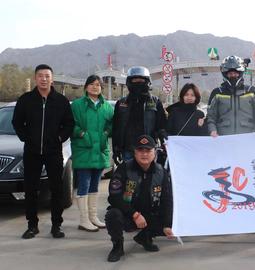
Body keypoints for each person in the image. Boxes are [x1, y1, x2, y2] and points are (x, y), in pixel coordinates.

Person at [12, 64, 74, 239]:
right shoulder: (26, 99)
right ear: (35, 78)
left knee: (57, 188)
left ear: (52, 78)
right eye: (40, 76)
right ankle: (32, 225)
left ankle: (56, 225)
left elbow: (69, 124)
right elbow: (17, 122)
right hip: (31, 152)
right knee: (30, 189)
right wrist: (26, 138)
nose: (44, 79)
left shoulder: (61, 101)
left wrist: (60, 138)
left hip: (54, 151)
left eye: (47, 76)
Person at [105, 135, 174, 262]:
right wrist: (134, 215)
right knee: (112, 214)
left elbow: (167, 200)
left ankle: (145, 237)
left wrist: (167, 224)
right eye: (140, 150)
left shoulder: (161, 172)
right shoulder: (124, 169)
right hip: (129, 214)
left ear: (154, 152)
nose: (145, 154)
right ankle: (117, 247)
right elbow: (114, 198)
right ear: (134, 152)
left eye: (148, 150)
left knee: (173, 217)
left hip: (150, 214)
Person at [70, 75, 114, 232]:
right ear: (86, 87)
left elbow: (111, 124)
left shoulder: (107, 107)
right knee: (84, 184)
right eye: (92, 84)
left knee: (95, 184)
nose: (95, 87)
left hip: (100, 150)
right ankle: (83, 220)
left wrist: (106, 133)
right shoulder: (77, 105)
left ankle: (93, 216)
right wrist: (82, 134)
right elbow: (70, 124)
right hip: (83, 150)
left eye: (98, 85)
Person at [112, 66, 167, 165]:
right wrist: (116, 149)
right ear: (129, 82)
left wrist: (164, 144)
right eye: (135, 80)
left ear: (147, 82)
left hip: (149, 150)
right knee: (130, 179)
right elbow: (116, 129)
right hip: (128, 150)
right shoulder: (121, 104)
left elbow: (162, 126)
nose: (138, 83)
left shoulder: (155, 102)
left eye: (141, 80)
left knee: (149, 179)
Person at [207, 55, 255, 136]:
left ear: (240, 73)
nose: (233, 75)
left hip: (248, 139)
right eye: (230, 73)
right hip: (223, 140)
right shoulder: (217, 92)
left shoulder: (252, 91)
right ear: (225, 74)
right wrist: (212, 130)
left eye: (235, 73)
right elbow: (210, 117)